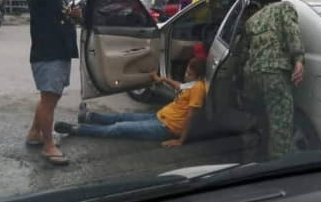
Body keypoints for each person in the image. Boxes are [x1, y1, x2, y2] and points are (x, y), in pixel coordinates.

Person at [54, 58, 207, 148]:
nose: (186, 75)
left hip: (166, 128)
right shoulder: (191, 84)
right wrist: (162, 79)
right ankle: (89, 116)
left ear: (199, 76)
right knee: (123, 116)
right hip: (160, 117)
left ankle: (78, 129)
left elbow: (191, 116)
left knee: (119, 128)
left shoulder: (198, 88)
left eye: (189, 74)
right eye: (187, 72)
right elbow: (179, 86)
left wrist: (180, 140)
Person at [24, 0, 81, 165]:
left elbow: (64, 16)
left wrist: (74, 15)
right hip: (48, 54)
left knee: (49, 98)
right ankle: (48, 147)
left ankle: (34, 133)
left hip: (58, 52)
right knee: (48, 100)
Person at [241, 0, 305, 159]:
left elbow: (244, 53)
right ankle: (277, 167)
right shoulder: (284, 8)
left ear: (260, 2)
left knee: (259, 120)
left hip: (253, 76)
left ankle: (251, 159)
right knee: (280, 127)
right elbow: (292, 32)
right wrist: (299, 59)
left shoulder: (251, 21)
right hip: (275, 75)